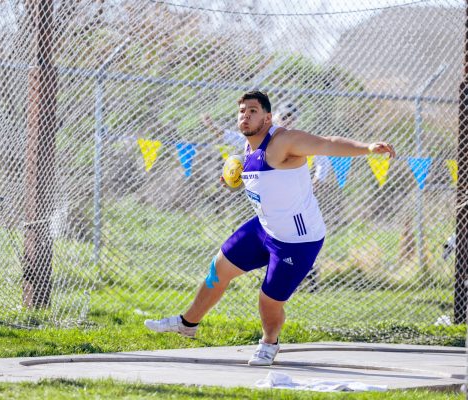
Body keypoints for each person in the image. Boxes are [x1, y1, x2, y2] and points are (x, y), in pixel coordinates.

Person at [144, 90, 395, 366]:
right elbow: (256, 181)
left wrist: (368, 148)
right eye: (242, 111)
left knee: (268, 300)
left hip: (297, 240)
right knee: (218, 270)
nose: (246, 115)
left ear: (267, 117)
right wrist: (231, 181)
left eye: (252, 111)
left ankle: (269, 343)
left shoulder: (283, 141)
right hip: (265, 228)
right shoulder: (247, 146)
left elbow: (326, 144)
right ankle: (187, 323)